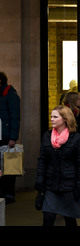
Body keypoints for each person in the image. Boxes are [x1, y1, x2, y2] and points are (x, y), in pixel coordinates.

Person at [35, 105, 80, 226]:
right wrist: (39, 181)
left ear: (65, 119)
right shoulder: (47, 137)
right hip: (50, 185)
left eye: (55, 117)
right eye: (51, 116)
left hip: (69, 186)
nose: (51, 119)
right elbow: (42, 160)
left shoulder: (77, 139)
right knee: (48, 217)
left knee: (69, 219)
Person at [0, 72, 20, 204]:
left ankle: (8, 193)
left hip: (6, 136)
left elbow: (15, 117)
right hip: (3, 134)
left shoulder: (10, 95)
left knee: (9, 166)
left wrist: (13, 137)